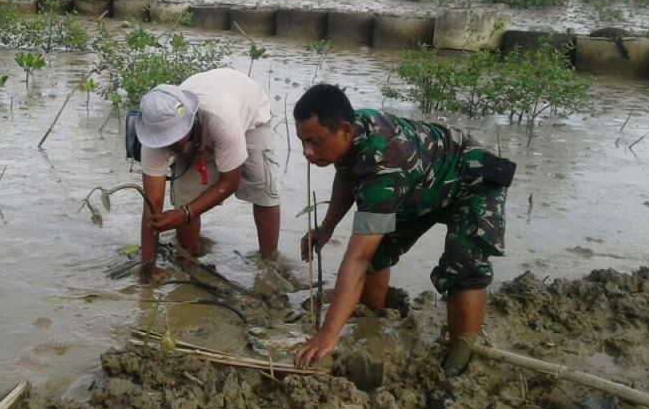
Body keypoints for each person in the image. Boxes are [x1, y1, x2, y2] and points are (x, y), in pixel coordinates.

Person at [291, 84, 513, 377]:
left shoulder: (384, 168)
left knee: (463, 266)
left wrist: (327, 333)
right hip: (418, 187)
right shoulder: (351, 132)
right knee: (376, 256)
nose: (307, 151)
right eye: (302, 141)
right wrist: (326, 228)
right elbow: (346, 175)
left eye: (315, 142)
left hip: (469, 180)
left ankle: (461, 356)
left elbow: (355, 259)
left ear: (345, 130)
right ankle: (377, 319)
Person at [135, 68, 281, 280]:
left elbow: (229, 182)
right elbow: (152, 206)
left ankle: (270, 263)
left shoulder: (221, 120)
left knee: (261, 188)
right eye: (167, 143)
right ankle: (190, 258)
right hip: (209, 124)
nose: (171, 147)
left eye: (176, 141)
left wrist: (185, 214)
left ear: (191, 123)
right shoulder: (152, 142)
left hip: (249, 116)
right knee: (185, 195)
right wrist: (148, 265)